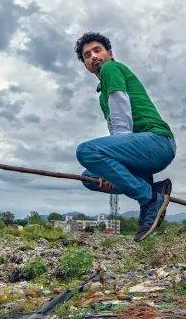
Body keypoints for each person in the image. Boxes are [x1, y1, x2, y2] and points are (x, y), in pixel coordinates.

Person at [74, 32, 177, 242]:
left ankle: (148, 199)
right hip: (141, 155)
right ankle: (153, 191)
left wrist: (115, 165)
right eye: (87, 55)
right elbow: (117, 134)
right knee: (90, 178)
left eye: (97, 50)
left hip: (157, 142)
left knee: (86, 151)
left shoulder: (112, 68)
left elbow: (121, 115)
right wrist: (110, 174)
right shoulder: (102, 94)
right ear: (85, 65)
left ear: (109, 54)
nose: (93, 56)